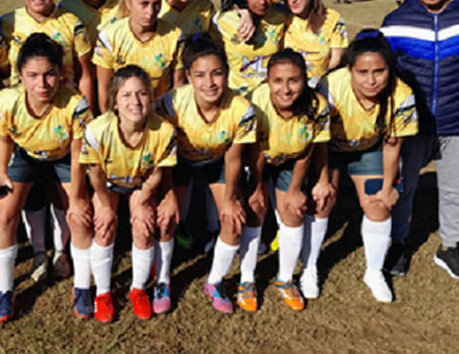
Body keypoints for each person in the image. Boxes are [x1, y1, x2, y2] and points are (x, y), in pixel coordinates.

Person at [0, 0, 94, 280]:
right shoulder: (6, 24)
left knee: (63, 192)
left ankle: (61, 251)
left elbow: (85, 73)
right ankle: (39, 251)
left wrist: (87, 116)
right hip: (22, 121)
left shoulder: (72, 23)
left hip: (63, 119)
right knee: (29, 193)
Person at [0, 33, 93, 322]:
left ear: (61, 73)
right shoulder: (7, 100)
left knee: (80, 214)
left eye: (49, 74)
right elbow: (3, 140)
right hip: (27, 155)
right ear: (20, 74)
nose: (42, 83)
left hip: (62, 156)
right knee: (5, 215)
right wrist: (0, 173)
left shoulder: (75, 103)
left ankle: (83, 287)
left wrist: (78, 196)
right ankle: (4, 291)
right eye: (33, 75)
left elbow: (76, 153)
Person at [158, 33, 260, 314]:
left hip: (217, 162)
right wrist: (167, 195)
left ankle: (214, 281)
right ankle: (163, 280)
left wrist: (230, 198)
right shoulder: (172, 103)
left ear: (227, 73)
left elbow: (234, 158)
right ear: (188, 76)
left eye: (217, 73)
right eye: (200, 75)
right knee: (166, 218)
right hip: (178, 162)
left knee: (233, 219)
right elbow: (163, 152)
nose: (209, 82)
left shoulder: (241, 109)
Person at [317, 30, 418, 302]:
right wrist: (323, 179)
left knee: (379, 205)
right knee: (322, 200)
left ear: (390, 69)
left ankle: (374, 271)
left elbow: (392, 145)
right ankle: (310, 268)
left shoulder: (402, 94)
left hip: (368, 150)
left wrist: (388, 188)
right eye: (362, 72)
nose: (371, 80)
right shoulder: (330, 86)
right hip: (330, 149)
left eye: (379, 71)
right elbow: (319, 139)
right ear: (350, 69)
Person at [381, 0, 459, 279]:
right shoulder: (395, 22)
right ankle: (398, 242)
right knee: (405, 186)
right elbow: (383, 73)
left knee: (455, 188)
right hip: (411, 124)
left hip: (455, 121)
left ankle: (451, 246)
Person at [83, 66, 177, 321]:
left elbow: (157, 172)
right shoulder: (97, 130)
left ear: (151, 97)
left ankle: (138, 289)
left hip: (141, 183)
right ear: (114, 101)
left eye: (142, 94)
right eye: (126, 95)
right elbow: (96, 175)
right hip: (109, 184)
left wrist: (144, 200)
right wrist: (103, 205)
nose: (135, 102)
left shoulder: (164, 131)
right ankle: (102, 293)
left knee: (144, 226)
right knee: (104, 226)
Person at [250, 50, 332, 306]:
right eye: (278, 81)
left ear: (305, 80)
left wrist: (296, 189)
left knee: (294, 211)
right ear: (267, 81)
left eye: (293, 80)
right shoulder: (255, 102)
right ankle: (246, 280)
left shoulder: (317, 105)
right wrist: (256, 187)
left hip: (292, 158)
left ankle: (285, 278)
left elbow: (308, 150)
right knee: (255, 209)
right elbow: (253, 152)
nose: (285, 89)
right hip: (258, 159)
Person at [94, 0, 184, 110]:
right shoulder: (109, 37)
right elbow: (104, 89)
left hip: (160, 115)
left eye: (156, 4)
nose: (150, 11)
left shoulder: (175, 36)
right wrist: (112, 124)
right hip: (123, 115)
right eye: (144, 4)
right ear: (128, 3)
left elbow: (178, 87)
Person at [213, 0, 286, 95]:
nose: (262, 1)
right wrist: (242, 11)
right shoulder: (223, 21)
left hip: (271, 98)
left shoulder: (283, 16)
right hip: (236, 97)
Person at [279, 0, 348, 86]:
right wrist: (245, 14)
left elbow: (336, 61)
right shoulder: (277, 15)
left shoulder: (332, 19)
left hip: (318, 90)